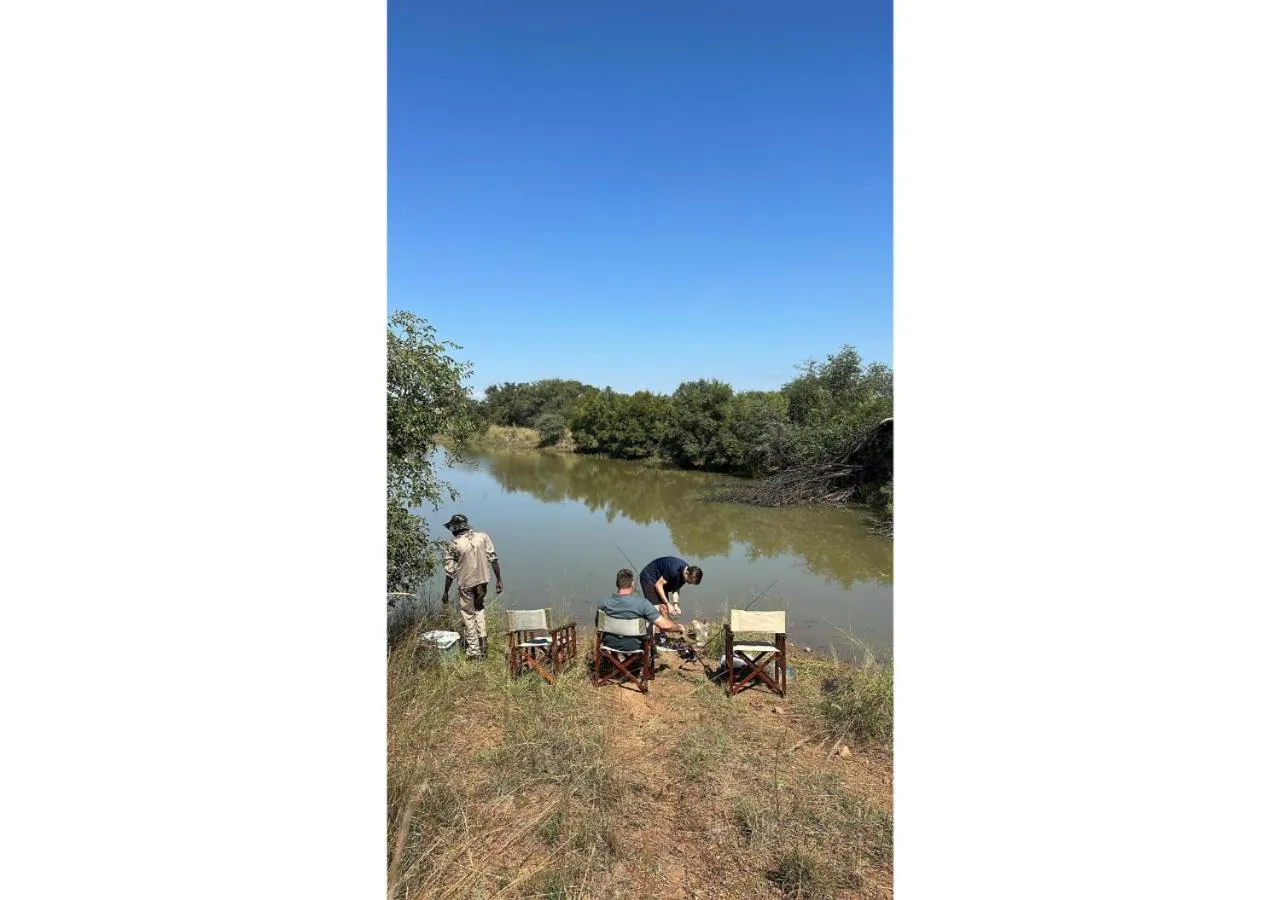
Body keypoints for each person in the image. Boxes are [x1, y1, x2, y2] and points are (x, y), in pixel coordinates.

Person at [441, 513, 504, 660]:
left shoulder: (454, 544)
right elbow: (493, 559)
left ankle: (474, 651)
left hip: (466, 584)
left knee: (468, 615)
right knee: (479, 610)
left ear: (454, 528)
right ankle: (483, 646)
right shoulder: (482, 537)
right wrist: (499, 580)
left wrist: (445, 592)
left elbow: (450, 572)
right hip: (483, 582)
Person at [597, 568, 686, 661]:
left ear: (617, 583)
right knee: (649, 624)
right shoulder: (643, 603)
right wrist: (679, 627)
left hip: (609, 643)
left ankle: (615, 661)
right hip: (635, 645)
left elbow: (598, 624)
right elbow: (664, 626)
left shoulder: (603, 601)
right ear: (632, 584)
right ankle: (640, 661)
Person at [638, 555, 703, 619]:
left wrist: (675, 604)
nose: (689, 583)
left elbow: (676, 588)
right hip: (650, 577)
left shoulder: (686, 574)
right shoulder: (674, 570)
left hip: (663, 580)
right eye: (689, 581)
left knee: (665, 609)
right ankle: (650, 624)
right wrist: (668, 603)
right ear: (687, 573)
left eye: (691, 583)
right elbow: (658, 585)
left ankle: (662, 624)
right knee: (655, 609)